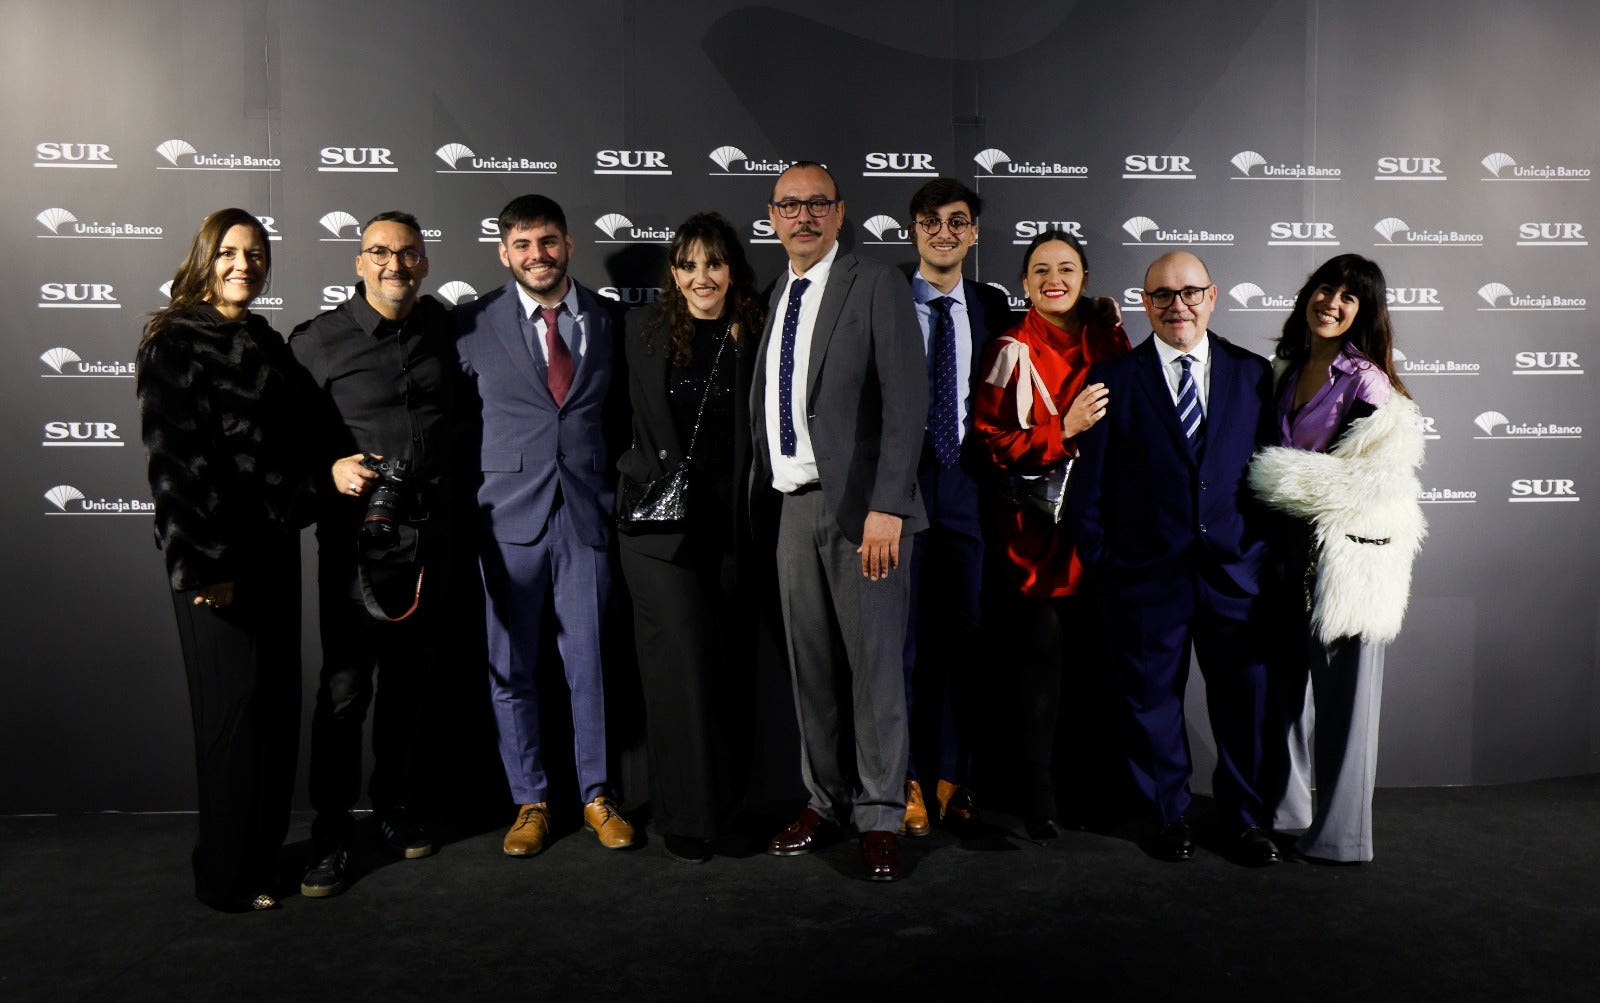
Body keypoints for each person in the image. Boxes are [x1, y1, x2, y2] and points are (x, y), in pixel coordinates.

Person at [1067, 251, 1280, 866]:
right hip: (1143, 579)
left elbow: (1272, 477)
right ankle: (1169, 816)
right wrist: (1107, 564)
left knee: (1244, 707)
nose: (1176, 305)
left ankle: (1245, 822)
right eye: (1162, 295)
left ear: (1212, 297)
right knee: (1152, 707)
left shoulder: (1252, 375)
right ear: (1144, 303)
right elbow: (1090, 492)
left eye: (1189, 292)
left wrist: (1262, 559)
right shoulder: (1112, 378)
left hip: (1236, 576)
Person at [753, 161, 927, 881]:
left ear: (840, 211)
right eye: (790, 205)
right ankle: (825, 801)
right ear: (771, 216)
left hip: (863, 511)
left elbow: (907, 398)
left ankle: (881, 813)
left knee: (876, 669)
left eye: (817, 203)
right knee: (813, 670)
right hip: (793, 505)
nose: (803, 216)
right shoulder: (776, 294)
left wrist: (887, 505)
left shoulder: (876, 283)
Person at [136, 208, 311, 912]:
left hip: (273, 547)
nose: (245, 264)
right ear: (205, 258)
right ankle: (226, 877)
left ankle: (263, 863)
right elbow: (173, 462)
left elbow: (300, 430)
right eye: (231, 252)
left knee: (275, 709)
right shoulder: (174, 339)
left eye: (256, 252)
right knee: (231, 718)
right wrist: (204, 566)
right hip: (216, 559)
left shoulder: (263, 338)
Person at [454, 194, 635, 857]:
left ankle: (596, 795)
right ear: (504, 252)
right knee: (511, 671)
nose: (538, 254)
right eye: (523, 244)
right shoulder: (469, 323)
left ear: (569, 244)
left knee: (590, 668)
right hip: (507, 523)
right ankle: (529, 800)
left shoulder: (611, 320)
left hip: (587, 516)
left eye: (549, 241)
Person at [288, 211, 459, 896]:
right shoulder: (316, 342)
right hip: (357, 547)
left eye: (409, 253)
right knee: (345, 692)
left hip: (433, 541)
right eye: (380, 252)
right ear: (359, 262)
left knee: (410, 687)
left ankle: (391, 809)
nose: (395, 265)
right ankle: (329, 835)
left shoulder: (443, 326)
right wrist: (329, 469)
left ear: (424, 262)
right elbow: (285, 439)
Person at [1248, 254, 1426, 863]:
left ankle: (1343, 837)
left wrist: (1269, 475)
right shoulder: (1285, 367)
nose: (1332, 303)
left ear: (1364, 313)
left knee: (1347, 709)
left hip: (1347, 560)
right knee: (1285, 696)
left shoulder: (1369, 382)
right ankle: (1287, 809)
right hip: (1282, 555)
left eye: (1349, 297)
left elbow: (1365, 482)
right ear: (1309, 294)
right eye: (1326, 289)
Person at [615, 213, 764, 864]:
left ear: (732, 268)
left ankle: (727, 806)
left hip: (735, 529)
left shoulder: (757, 334)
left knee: (729, 671)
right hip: (658, 533)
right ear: (672, 275)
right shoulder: (639, 334)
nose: (702, 277)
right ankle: (684, 814)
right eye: (688, 265)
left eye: (714, 262)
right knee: (677, 673)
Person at [973, 231, 1129, 838]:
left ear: (1086, 277)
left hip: (1104, 534)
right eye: (1040, 270)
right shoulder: (1008, 348)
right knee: (1039, 674)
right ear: (1024, 282)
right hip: (1037, 541)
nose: (1053, 279)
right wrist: (1060, 430)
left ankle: (1090, 793)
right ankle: (1036, 798)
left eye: (1066, 268)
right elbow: (987, 448)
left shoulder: (1109, 338)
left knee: (1097, 674)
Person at [898, 178, 1014, 837]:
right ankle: (910, 779)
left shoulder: (992, 304)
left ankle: (956, 777)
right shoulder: (885, 297)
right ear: (913, 229)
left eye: (957, 221)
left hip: (969, 491)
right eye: (931, 220)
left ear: (973, 233)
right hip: (902, 492)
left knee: (966, 643)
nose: (944, 232)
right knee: (907, 646)